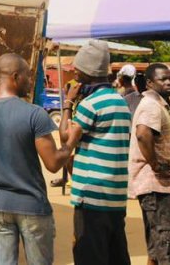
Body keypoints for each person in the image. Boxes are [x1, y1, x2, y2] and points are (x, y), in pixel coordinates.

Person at [0, 54, 80, 265]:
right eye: (28, 76)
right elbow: (53, 164)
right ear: (15, 77)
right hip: (32, 207)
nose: (30, 81)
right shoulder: (34, 114)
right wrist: (71, 142)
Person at [59, 39, 131, 265]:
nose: (75, 75)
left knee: (89, 255)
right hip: (115, 198)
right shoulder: (119, 102)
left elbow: (65, 137)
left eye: (77, 71)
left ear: (87, 73)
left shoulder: (91, 104)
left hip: (92, 196)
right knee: (114, 255)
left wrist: (68, 102)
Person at [128, 63, 170, 265]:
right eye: (163, 79)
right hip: (159, 187)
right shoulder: (151, 105)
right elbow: (143, 134)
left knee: (157, 247)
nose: (169, 82)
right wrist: (156, 165)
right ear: (150, 83)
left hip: (157, 188)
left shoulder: (156, 104)